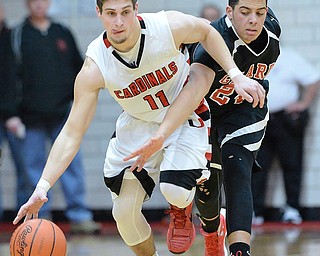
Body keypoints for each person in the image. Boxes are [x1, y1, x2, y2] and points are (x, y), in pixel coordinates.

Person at [12, 0, 264, 255]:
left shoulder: (166, 27)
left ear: (136, 9)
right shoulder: (95, 65)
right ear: (99, 13)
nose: (119, 22)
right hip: (139, 124)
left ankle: (181, 209)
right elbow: (71, 132)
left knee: (174, 191)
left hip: (182, 118)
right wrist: (42, 187)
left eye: (125, 12)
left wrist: (235, 74)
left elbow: (208, 31)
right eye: (111, 14)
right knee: (124, 215)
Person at [124, 0, 281, 255]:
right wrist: (161, 134)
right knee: (207, 193)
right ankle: (208, 228)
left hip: (244, 109)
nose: (253, 19)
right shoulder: (210, 47)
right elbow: (195, 89)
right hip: (203, 113)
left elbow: (258, 10)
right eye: (245, 12)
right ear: (229, 12)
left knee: (238, 169)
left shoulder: (270, 27)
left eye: (260, 13)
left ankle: (241, 250)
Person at [11, 0, 100, 233]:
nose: (39, 5)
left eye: (43, 0)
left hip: (62, 113)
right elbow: (10, 76)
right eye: (34, 1)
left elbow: (81, 69)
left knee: (71, 164)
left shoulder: (62, 32)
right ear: (27, 4)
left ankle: (80, 216)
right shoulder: (17, 35)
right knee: (33, 169)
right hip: (29, 117)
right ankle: (38, 220)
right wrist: (12, 113)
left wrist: (76, 101)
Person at [251, 47, 320, 225]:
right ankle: (254, 211)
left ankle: (292, 209)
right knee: (257, 167)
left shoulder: (288, 57)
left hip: (285, 120)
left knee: (292, 164)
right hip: (258, 119)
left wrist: (303, 103)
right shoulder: (248, 57)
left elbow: (313, 79)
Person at [0, 3, 32, 219]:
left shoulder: (13, 37)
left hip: (15, 114)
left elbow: (15, 78)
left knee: (25, 167)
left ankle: (23, 217)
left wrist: (13, 113)